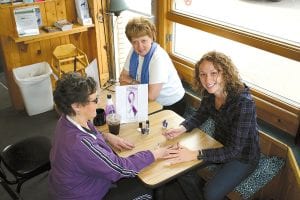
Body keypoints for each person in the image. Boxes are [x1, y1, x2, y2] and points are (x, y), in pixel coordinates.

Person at [49, 72, 179, 200]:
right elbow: (120, 169)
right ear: (76, 106)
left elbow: (89, 134)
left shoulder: (68, 119)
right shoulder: (79, 144)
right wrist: (156, 153)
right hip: (83, 195)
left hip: (71, 185)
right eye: (94, 100)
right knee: (145, 191)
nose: (98, 102)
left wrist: (106, 136)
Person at [162, 51, 260, 200]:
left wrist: (195, 154)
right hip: (217, 144)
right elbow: (200, 114)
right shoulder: (210, 92)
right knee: (181, 170)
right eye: (202, 74)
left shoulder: (244, 103)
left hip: (242, 156)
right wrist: (181, 128)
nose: (208, 80)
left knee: (211, 193)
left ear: (226, 74)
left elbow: (234, 150)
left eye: (214, 73)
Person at [119, 17, 186, 116]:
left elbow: (151, 96)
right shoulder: (133, 51)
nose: (140, 46)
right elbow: (122, 79)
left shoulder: (158, 58)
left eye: (143, 41)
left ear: (151, 38)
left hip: (171, 106)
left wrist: (131, 81)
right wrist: (133, 85)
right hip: (148, 101)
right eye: (135, 42)